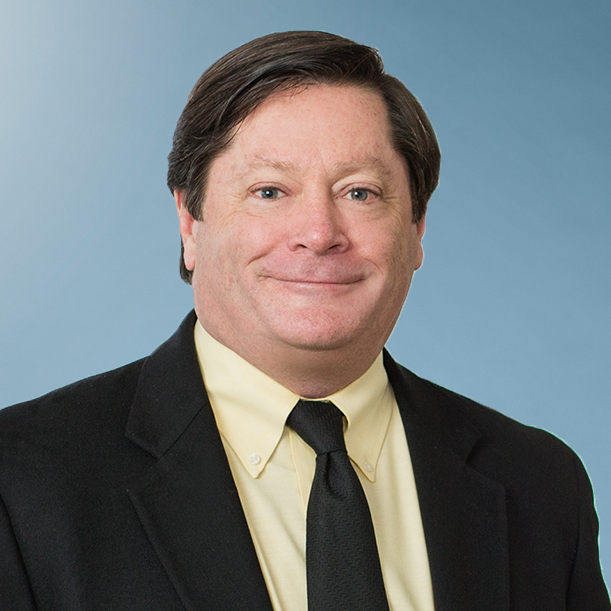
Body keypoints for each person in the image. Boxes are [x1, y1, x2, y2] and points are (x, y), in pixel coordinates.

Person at [0, 31, 608, 611]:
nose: (319, 234)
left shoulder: (538, 484)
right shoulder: (23, 481)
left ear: (417, 228)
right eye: (269, 191)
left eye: (360, 193)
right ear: (189, 223)